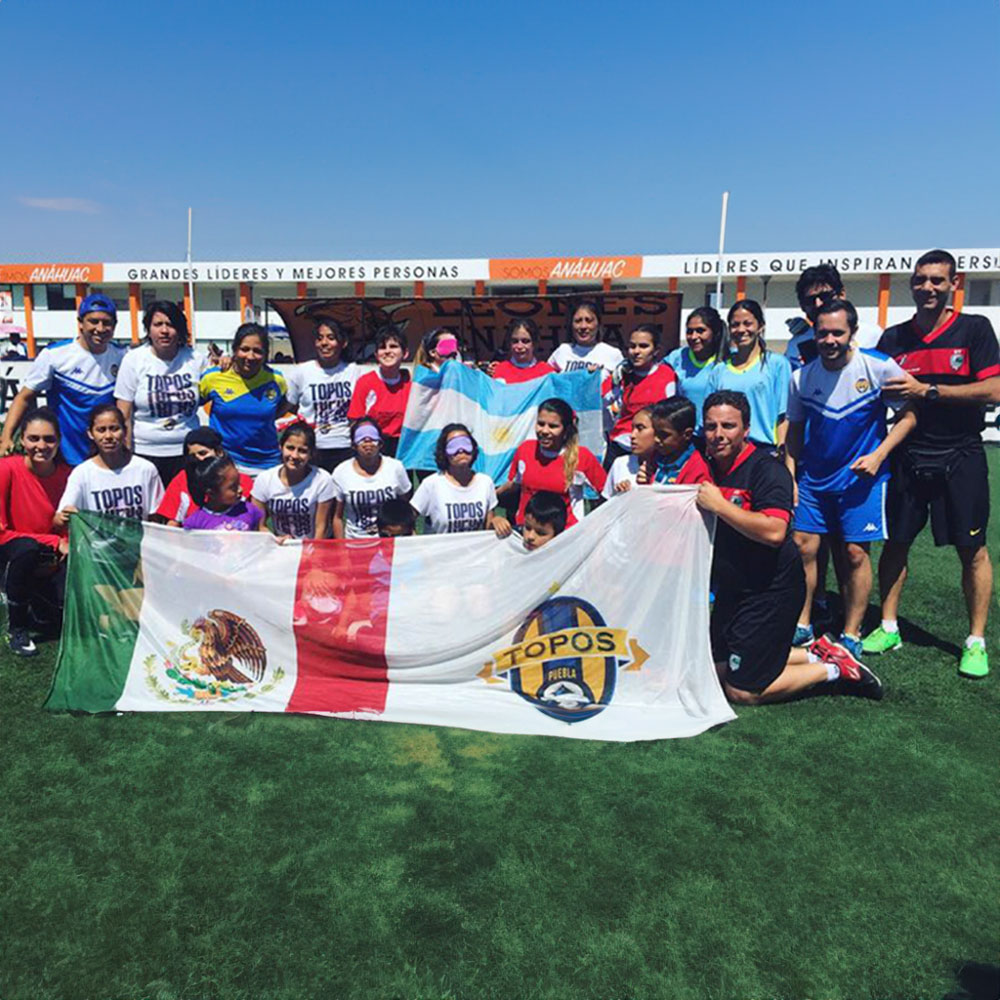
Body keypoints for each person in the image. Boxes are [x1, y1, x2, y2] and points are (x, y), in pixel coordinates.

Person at [863, 250, 1000, 678]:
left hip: (961, 451)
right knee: (896, 542)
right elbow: (875, 391)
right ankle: (888, 625)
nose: (928, 288)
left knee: (972, 549)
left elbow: (994, 389)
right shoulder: (894, 339)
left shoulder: (975, 329)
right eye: (921, 280)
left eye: (938, 280)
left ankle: (975, 640)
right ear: (911, 283)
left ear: (953, 284)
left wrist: (930, 392)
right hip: (908, 452)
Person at [696, 390, 883, 704]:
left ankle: (835, 669)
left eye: (728, 426)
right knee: (716, 671)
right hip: (734, 586)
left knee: (742, 690)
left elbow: (774, 532)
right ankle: (813, 653)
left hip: (771, 589)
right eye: (711, 427)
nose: (718, 435)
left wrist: (720, 506)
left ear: (746, 428)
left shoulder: (767, 470)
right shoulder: (705, 462)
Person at [785, 299, 917, 655]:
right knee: (803, 548)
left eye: (837, 332)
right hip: (813, 480)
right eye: (822, 332)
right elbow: (795, 431)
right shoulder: (802, 377)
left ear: (852, 333)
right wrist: (791, 477)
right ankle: (802, 624)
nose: (829, 339)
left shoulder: (878, 367)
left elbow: (908, 417)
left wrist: (878, 456)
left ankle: (852, 633)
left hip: (861, 481)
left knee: (856, 554)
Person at [1, 293, 128, 466]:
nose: (100, 328)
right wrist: (6, 437)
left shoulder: (123, 356)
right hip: (64, 457)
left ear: (114, 326)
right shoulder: (55, 355)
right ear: (80, 323)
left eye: (107, 322)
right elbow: (23, 397)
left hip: (106, 456)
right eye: (93, 321)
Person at [0, 408, 72, 656]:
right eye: (34, 438)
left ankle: (35, 602)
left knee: (58, 615)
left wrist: (63, 543)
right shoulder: (6, 469)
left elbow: (73, 527)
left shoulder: (69, 475)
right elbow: (1, 532)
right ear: (22, 440)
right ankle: (17, 628)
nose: (41, 445)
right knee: (27, 549)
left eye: (49, 439)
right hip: (15, 552)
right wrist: (54, 541)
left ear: (59, 441)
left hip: (52, 558)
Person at [114, 300, 207, 485]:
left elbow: (215, 394)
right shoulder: (134, 360)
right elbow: (124, 413)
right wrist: (124, 453)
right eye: (158, 324)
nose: (164, 331)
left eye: (170, 325)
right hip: (146, 452)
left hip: (187, 452)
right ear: (148, 329)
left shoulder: (196, 359)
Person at [498, 398, 606, 527]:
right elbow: (514, 484)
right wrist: (487, 495)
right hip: (526, 533)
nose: (544, 431)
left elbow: (607, 493)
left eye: (553, 426)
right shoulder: (525, 450)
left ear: (566, 429)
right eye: (541, 424)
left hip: (564, 537)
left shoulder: (582, 457)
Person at [199, 323, 291, 475]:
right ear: (235, 350)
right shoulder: (213, 377)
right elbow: (189, 409)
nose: (250, 356)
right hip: (225, 464)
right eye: (244, 349)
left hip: (267, 465)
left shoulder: (277, 380)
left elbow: (283, 409)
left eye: (257, 351)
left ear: (265, 354)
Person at [55, 404, 164, 524]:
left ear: (125, 430)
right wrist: (65, 516)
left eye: (114, 429)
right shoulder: (81, 474)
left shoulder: (146, 469)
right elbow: (59, 519)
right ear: (90, 433)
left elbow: (156, 517)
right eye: (101, 430)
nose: (108, 436)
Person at [706, 299, 791, 450]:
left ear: (760, 326)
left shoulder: (777, 364)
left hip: (764, 450)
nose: (741, 330)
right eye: (735, 325)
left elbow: (783, 416)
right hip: (727, 451)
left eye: (747, 323)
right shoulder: (719, 370)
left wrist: (782, 453)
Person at [283, 318, 360, 473]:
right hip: (312, 448)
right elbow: (287, 407)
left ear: (343, 343)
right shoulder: (301, 372)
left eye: (331, 338)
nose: (324, 343)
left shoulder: (354, 371)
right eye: (320, 338)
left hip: (345, 447)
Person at [603, 325, 678, 466]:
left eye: (643, 346)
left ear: (656, 350)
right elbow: (599, 402)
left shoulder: (667, 375)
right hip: (621, 446)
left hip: (654, 449)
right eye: (632, 346)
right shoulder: (622, 374)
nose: (636, 351)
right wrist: (613, 381)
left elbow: (670, 415)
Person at [787, 264, 882, 369]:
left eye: (825, 296)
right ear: (802, 305)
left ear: (841, 294)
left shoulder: (872, 334)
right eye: (810, 300)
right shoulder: (796, 344)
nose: (818, 304)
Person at [155, 428, 255, 527]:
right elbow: (172, 523)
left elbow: (254, 519)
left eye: (203, 453)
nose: (199, 459)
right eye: (193, 456)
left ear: (219, 452)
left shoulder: (244, 481)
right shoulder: (182, 480)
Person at [251, 422, 335, 540]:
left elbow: (322, 527)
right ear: (281, 447)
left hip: (311, 547)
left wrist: (312, 553)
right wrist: (276, 540)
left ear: (311, 454)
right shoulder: (264, 480)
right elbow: (259, 525)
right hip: (280, 546)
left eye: (302, 451)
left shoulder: (322, 480)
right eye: (290, 448)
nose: (294, 456)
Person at [331, 418, 411, 538]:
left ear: (380, 443)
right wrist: (342, 548)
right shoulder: (341, 472)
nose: (367, 441)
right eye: (361, 437)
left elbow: (406, 508)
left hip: (389, 541)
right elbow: (337, 517)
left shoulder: (395, 468)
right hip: (355, 542)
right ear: (353, 445)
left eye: (372, 437)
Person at [347, 326, 412, 457]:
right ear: (376, 354)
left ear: (405, 353)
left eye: (393, 346)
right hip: (373, 447)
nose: (387, 351)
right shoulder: (365, 382)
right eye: (382, 347)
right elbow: (355, 420)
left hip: (403, 448)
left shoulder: (411, 384)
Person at [666, 307, 723, 433]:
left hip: (717, 435)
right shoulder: (677, 357)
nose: (694, 336)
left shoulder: (729, 359)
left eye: (700, 331)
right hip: (687, 437)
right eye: (689, 331)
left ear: (715, 332)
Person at [182, 455, 266, 532]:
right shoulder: (195, 523)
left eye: (239, 483)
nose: (240, 489)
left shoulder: (249, 510)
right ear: (211, 493)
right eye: (233, 487)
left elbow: (260, 533)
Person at [548, 300, 624, 379]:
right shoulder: (562, 351)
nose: (583, 326)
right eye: (578, 321)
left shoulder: (612, 354)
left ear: (598, 323)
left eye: (589, 320)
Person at [646, 397, 713, 484]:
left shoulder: (698, 470)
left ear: (687, 434)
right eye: (655, 432)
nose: (656, 439)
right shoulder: (655, 458)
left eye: (664, 435)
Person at [603, 408, 657, 496]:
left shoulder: (666, 471)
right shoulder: (620, 463)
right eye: (632, 429)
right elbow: (606, 504)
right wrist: (621, 495)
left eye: (640, 428)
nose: (632, 435)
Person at [490, 318, 556, 383]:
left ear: (535, 343)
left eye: (525, 341)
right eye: (515, 341)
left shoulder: (547, 373)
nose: (519, 346)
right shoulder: (499, 370)